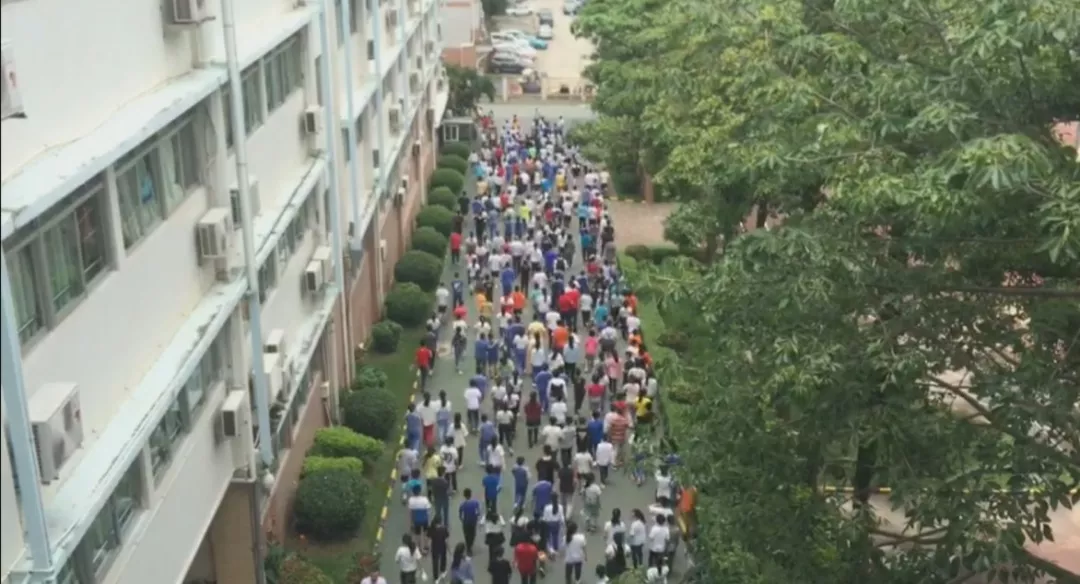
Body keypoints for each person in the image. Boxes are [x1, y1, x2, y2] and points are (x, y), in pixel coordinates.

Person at [407, 485, 432, 552]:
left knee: (417, 534)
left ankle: (419, 546)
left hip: (416, 520)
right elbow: (428, 510)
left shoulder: (411, 500)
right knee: (426, 533)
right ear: (420, 491)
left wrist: (410, 523)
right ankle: (425, 546)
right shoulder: (424, 499)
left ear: (413, 492)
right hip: (424, 519)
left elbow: (410, 512)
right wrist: (429, 521)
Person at [459, 488, 482, 554]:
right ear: (470, 494)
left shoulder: (462, 504)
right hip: (473, 521)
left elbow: (460, 514)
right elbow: (478, 512)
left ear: (464, 495)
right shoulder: (475, 502)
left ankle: (468, 546)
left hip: (466, 521)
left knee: (466, 534)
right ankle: (470, 545)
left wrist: (462, 519)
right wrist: (476, 516)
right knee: (472, 534)